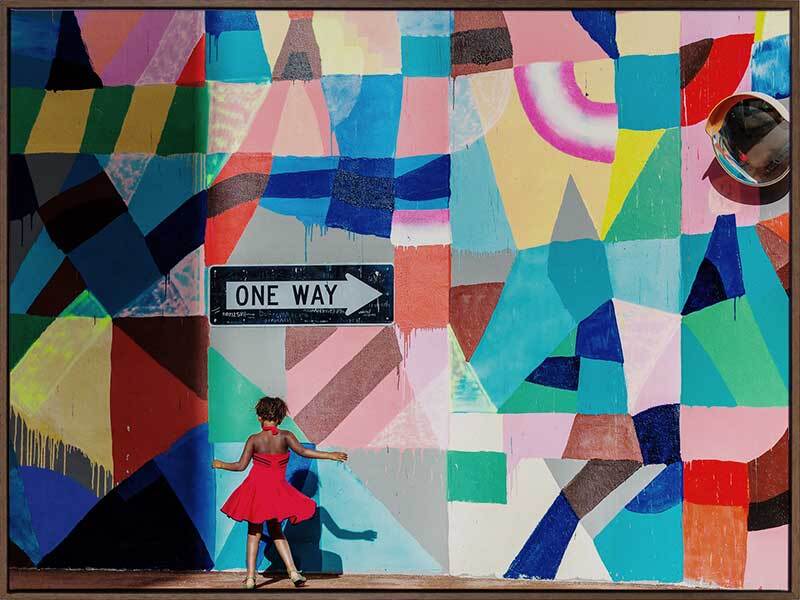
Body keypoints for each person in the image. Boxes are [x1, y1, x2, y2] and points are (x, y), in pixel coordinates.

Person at [212, 396, 347, 589]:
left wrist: (221, 464)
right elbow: (304, 452)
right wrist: (330, 455)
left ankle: (250, 578)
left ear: (259, 417)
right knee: (276, 531)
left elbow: (240, 466)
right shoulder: (286, 436)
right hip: (276, 491)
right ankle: (293, 572)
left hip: (255, 490)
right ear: (280, 418)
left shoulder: (254, 439)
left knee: (254, 532)